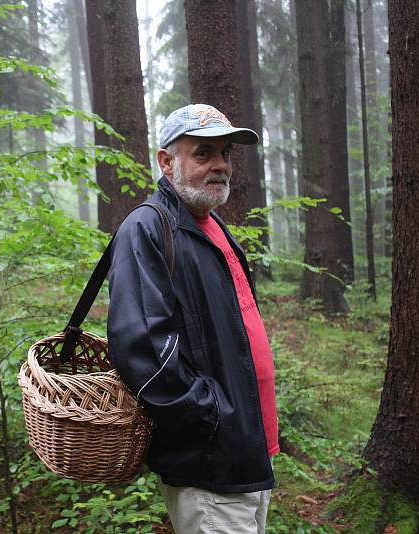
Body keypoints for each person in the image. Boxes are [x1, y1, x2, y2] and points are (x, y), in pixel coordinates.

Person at [107, 103, 279, 533]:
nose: (220, 165)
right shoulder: (147, 229)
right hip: (211, 464)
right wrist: (214, 417)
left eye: (226, 154)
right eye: (203, 153)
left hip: (248, 453)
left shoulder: (213, 226)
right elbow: (143, 352)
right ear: (166, 162)